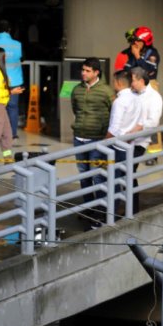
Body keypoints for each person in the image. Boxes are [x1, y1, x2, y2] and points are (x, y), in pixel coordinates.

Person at [71, 57, 114, 226]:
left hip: (98, 139)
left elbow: (114, 111)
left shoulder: (106, 91)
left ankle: (101, 210)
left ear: (96, 72)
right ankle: (89, 208)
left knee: (97, 176)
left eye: (87, 70)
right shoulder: (77, 90)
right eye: (83, 70)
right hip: (79, 137)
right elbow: (75, 109)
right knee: (83, 176)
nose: (83, 73)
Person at [127, 66, 163, 214]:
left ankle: (132, 209)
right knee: (124, 173)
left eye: (133, 81)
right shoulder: (131, 94)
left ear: (141, 80)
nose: (131, 84)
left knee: (129, 172)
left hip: (140, 141)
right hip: (125, 139)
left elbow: (153, 122)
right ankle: (128, 207)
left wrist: (138, 128)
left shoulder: (154, 97)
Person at [105, 69, 140, 217]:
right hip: (129, 144)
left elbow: (113, 128)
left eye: (114, 81)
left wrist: (104, 143)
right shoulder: (136, 98)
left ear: (119, 83)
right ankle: (129, 209)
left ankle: (112, 212)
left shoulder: (119, 102)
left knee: (114, 180)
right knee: (127, 179)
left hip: (117, 147)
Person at [0, 20, 25, 139]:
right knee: (12, 107)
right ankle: (11, 133)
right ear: (9, 30)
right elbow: (22, 58)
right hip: (14, 80)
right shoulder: (18, 44)